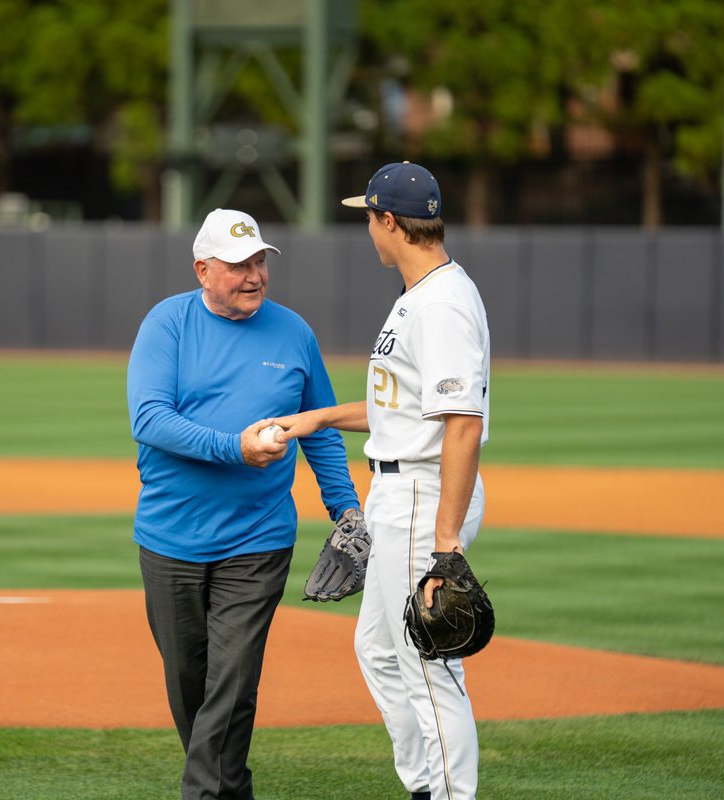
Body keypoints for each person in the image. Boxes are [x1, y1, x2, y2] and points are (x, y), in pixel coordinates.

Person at [273, 162, 491, 800]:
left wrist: (445, 543)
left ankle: (450, 794)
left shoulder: (443, 304)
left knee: (426, 660)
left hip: (425, 493)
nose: (367, 229)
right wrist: (313, 418)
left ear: (389, 221)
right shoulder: (417, 297)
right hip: (399, 488)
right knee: (378, 647)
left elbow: (461, 425)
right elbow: (399, 410)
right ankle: (425, 784)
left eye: (368, 217)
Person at [127, 207, 361, 800]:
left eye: (260, 261)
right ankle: (231, 789)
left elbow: (323, 429)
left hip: (257, 539)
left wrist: (347, 512)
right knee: (190, 685)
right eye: (238, 265)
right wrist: (233, 448)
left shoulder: (294, 332)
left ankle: (201, 795)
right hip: (170, 536)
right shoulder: (167, 324)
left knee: (232, 681)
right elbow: (150, 419)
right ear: (203, 270)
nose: (254, 274)